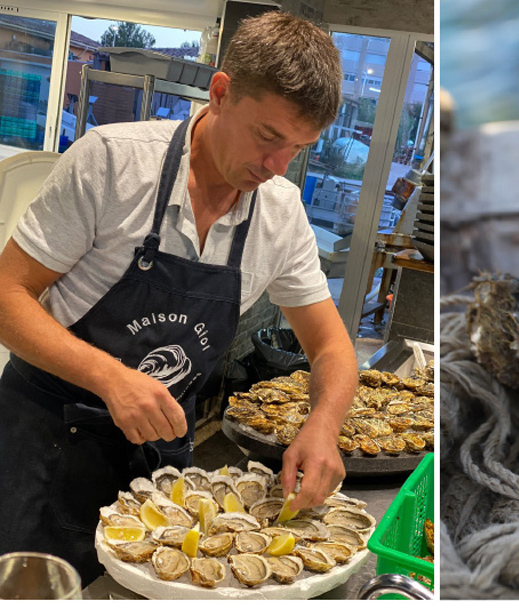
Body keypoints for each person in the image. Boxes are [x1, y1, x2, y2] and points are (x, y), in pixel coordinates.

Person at [0, 12, 357, 584]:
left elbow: (332, 345)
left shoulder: (282, 214)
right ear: (220, 93)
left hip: (159, 455)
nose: (277, 167)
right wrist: (111, 377)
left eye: (298, 148)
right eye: (267, 137)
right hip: (48, 437)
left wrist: (323, 423)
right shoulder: (112, 163)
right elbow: (6, 295)